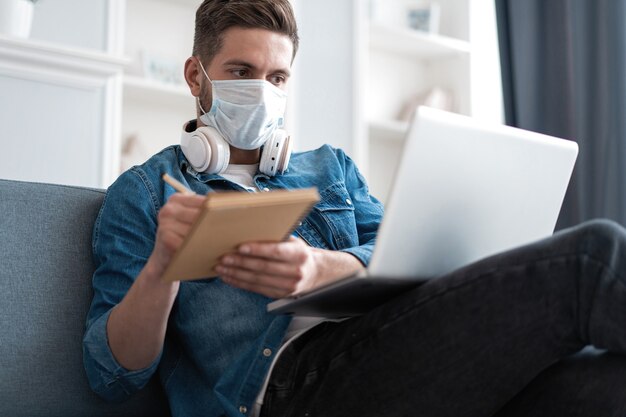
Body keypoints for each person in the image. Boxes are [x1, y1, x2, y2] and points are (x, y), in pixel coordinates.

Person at [83, 1, 626, 416]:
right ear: (196, 75)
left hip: (390, 344)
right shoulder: (147, 192)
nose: (262, 90)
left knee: (601, 384)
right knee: (590, 259)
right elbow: (111, 374)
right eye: (242, 71)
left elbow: (402, 257)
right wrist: (162, 267)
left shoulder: (330, 168)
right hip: (289, 388)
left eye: (276, 78)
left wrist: (322, 268)